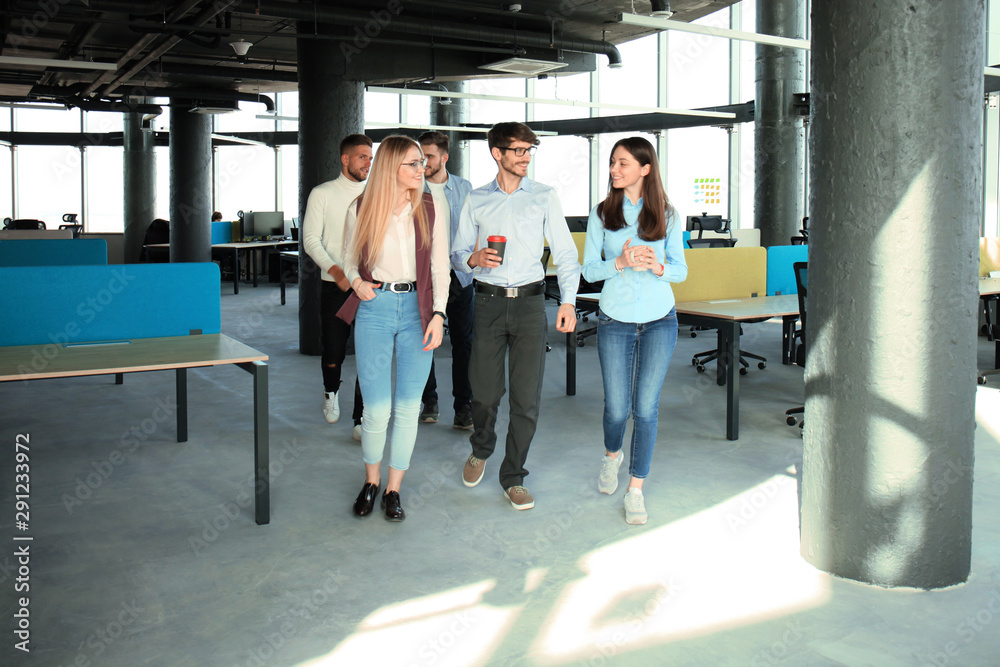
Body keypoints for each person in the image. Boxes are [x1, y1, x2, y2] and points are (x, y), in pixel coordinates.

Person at [451, 122, 579, 511]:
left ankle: (513, 475)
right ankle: (481, 448)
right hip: (487, 303)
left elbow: (566, 253)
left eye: (529, 150)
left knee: (526, 399)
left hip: (529, 306)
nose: (525, 157)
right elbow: (457, 255)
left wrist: (569, 301)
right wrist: (471, 259)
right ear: (498, 153)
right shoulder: (476, 199)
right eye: (519, 150)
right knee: (485, 394)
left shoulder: (544, 197)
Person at [338, 135, 449, 521]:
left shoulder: (433, 205)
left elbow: (440, 266)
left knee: (407, 408)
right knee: (377, 408)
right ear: (391, 168)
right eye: (413, 164)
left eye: (423, 162)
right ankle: (370, 481)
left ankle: (393, 489)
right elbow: (348, 259)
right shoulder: (362, 207)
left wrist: (439, 314)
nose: (423, 169)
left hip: (419, 310)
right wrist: (357, 283)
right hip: (376, 308)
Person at [581, 136, 687, 525]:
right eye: (612, 163)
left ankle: (636, 488)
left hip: (661, 319)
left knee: (645, 408)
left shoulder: (669, 214)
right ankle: (612, 456)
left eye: (622, 163)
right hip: (615, 319)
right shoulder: (602, 214)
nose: (614, 170)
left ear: (645, 168)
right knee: (616, 407)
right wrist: (621, 262)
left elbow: (681, 269)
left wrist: (657, 267)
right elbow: (589, 270)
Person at [302, 134, 372, 438]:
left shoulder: (376, 194)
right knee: (333, 351)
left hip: (370, 288)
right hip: (336, 287)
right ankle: (330, 391)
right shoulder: (322, 193)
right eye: (362, 157)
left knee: (369, 355)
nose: (368, 163)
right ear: (345, 159)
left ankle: (360, 418)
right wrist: (337, 271)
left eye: (371, 158)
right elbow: (310, 240)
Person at [416, 131, 475, 429]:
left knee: (464, 342)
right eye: (420, 156)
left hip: (460, 275)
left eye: (429, 156)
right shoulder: (412, 187)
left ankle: (463, 406)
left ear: (445, 157)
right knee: (426, 340)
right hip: (425, 276)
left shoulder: (464, 188)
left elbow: (475, 229)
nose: (424, 162)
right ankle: (430, 400)